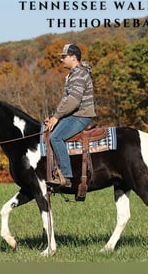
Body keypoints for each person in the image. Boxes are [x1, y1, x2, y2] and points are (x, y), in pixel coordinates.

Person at [45, 43, 96, 188]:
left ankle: (66, 176)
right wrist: (54, 115)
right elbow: (65, 101)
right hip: (74, 115)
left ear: (73, 58)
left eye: (64, 57)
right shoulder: (73, 74)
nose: (61, 60)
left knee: (56, 137)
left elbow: (73, 101)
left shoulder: (79, 74)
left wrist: (57, 117)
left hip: (81, 116)